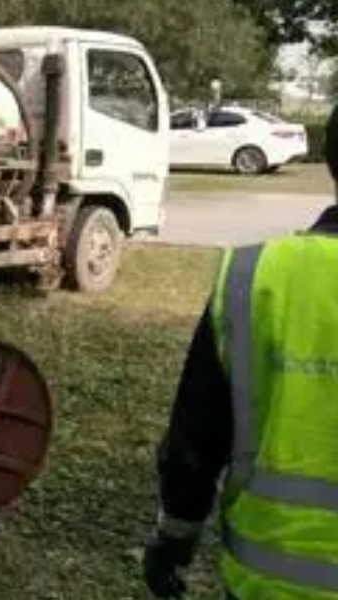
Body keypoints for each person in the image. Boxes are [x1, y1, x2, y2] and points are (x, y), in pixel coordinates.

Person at [143, 104, 338, 600]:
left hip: (273, 580)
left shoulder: (255, 277)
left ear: (331, 162)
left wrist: (173, 540)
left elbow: (195, 440)